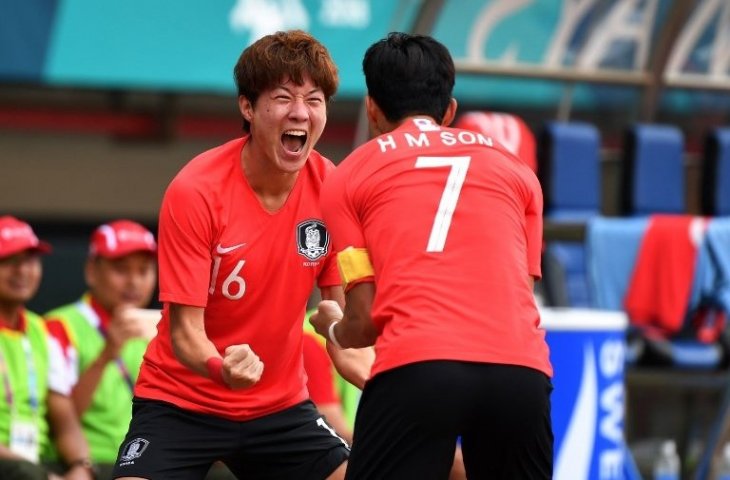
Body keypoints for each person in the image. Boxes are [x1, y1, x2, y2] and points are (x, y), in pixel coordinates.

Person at [112, 30, 372, 480]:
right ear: (247, 108)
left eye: (314, 99)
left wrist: (377, 368)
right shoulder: (196, 191)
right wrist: (221, 367)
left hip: (280, 408)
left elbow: (342, 313)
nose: (300, 112)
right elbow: (185, 331)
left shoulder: (333, 189)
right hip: (181, 400)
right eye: (283, 97)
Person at [310, 32, 554, 479]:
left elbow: (362, 323)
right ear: (450, 110)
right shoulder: (518, 172)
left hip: (417, 368)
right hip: (520, 373)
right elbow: (521, 294)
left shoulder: (349, 175)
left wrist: (331, 326)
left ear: (372, 108)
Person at [43, 219, 158, 479]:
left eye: (144, 270)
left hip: (148, 463)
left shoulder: (161, 328)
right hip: (91, 464)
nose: (134, 282)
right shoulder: (59, 325)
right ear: (92, 271)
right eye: (121, 269)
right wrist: (107, 355)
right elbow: (58, 421)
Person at [0, 215, 95, 480]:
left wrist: (82, 465)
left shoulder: (42, 330)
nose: (22, 271)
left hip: (34, 463)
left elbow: (64, 418)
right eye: (8, 261)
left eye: (30, 260)